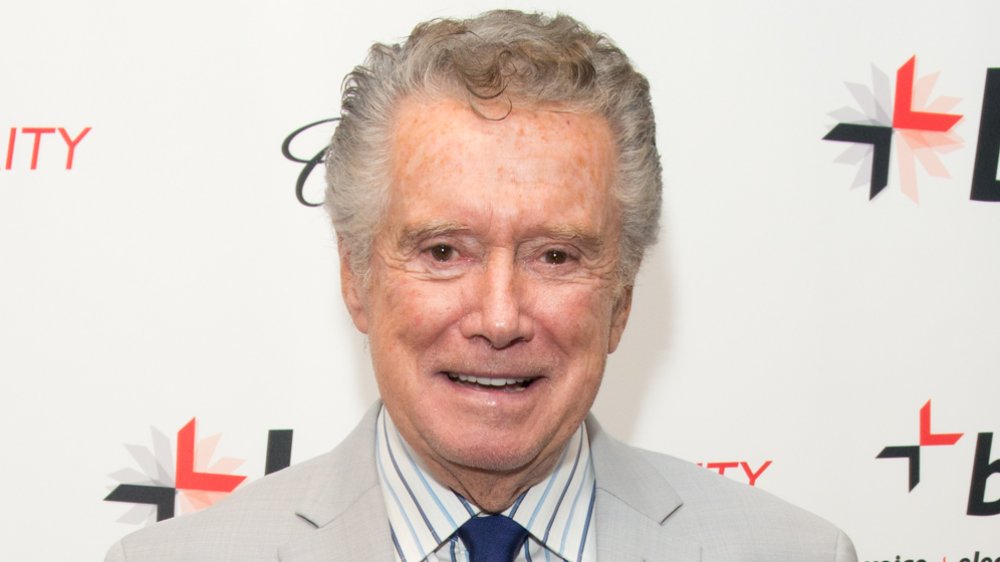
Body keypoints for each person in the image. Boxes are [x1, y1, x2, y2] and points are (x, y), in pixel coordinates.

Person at [106, 10, 857, 562]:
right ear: (356, 278)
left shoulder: (795, 553)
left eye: (556, 256)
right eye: (443, 250)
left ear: (622, 299)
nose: (500, 318)